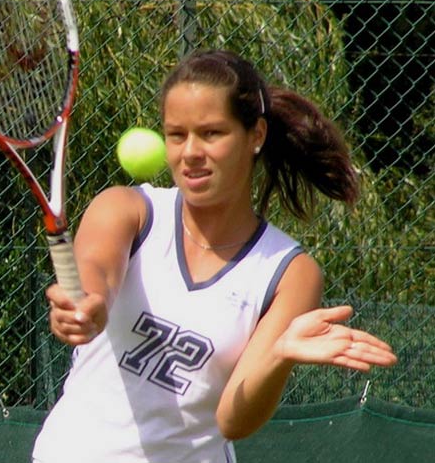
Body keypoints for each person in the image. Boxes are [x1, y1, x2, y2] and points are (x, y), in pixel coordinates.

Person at [32, 49, 397, 463]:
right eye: (176, 134)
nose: (190, 152)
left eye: (211, 133)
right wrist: (90, 305)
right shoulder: (126, 210)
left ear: (255, 135)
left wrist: (278, 355)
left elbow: (233, 423)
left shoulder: (290, 273)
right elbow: (97, 271)